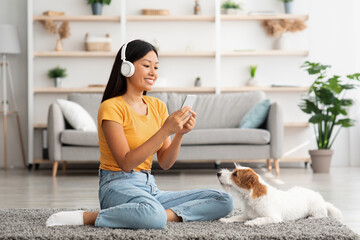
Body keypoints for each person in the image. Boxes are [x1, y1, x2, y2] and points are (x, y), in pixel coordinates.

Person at [46, 39, 233, 229]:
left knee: (224, 199)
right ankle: (88, 217)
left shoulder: (158, 106)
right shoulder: (111, 107)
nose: (153, 72)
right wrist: (165, 130)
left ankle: (154, 214)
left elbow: (166, 163)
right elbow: (126, 163)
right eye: (146, 65)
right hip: (116, 186)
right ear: (126, 67)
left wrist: (179, 134)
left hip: (150, 188)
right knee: (152, 213)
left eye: (156, 67)